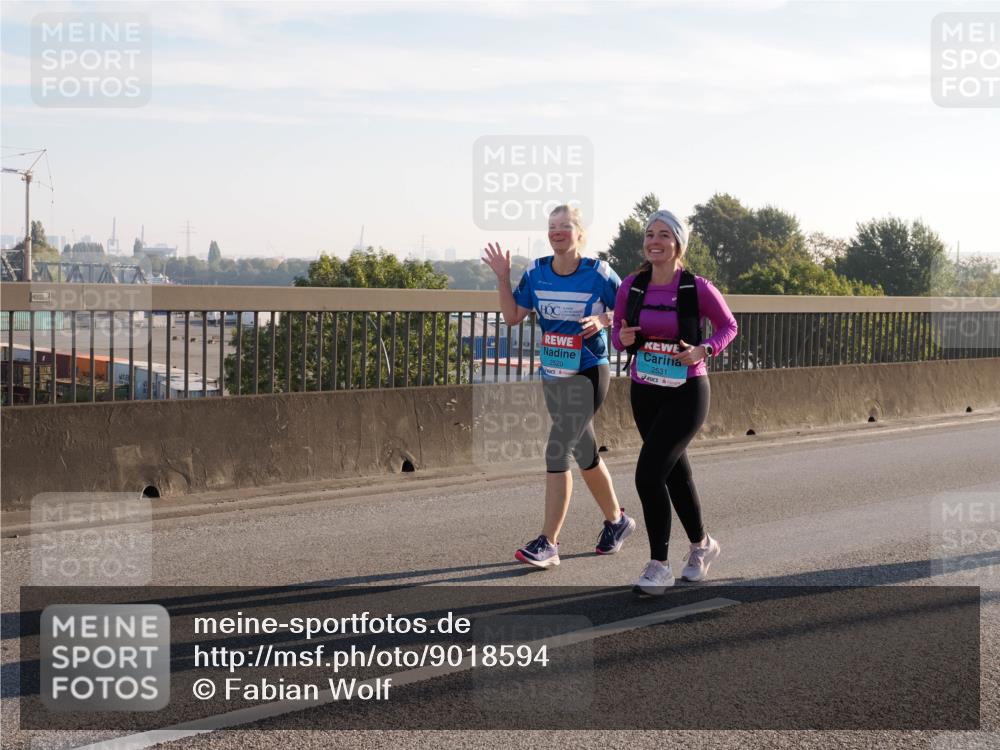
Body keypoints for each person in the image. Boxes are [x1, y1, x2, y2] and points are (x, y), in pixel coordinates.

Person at [482, 204, 635, 569]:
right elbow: (512, 317)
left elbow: (632, 313)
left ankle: (548, 543)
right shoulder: (535, 272)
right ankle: (617, 521)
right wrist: (503, 277)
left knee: (557, 448)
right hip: (554, 372)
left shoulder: (599, 273)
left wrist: (604, 318)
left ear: (579, 233)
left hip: (589, 370)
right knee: (584, 452)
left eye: (565, 226)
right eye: (552, 226)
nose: (557, 232)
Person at [611, 210, 738, 594]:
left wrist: (704, 349)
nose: (654, 241)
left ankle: (658, 565)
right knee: (674, 473)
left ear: (678, 244)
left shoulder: (696, 287)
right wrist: (625, 339)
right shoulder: (631, 286)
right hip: (645, 389)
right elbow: (617, 336)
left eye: (664, 235)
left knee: (648, 474)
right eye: (650, 234)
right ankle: (702, 546)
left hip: (687, 392)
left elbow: (729, 326)